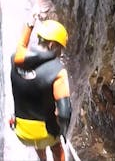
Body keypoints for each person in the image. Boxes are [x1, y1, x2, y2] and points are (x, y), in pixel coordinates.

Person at [10, 15, 72, 161]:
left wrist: (29, 24)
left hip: (22, 133)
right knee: (56, 147)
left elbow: (21, 46)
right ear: (52, 45)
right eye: (60, 48)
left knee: (39, 143)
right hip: (46, 134)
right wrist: (62, 132)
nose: (60, 53)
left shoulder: (15, 59)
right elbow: (64, 113)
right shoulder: (58, 71)